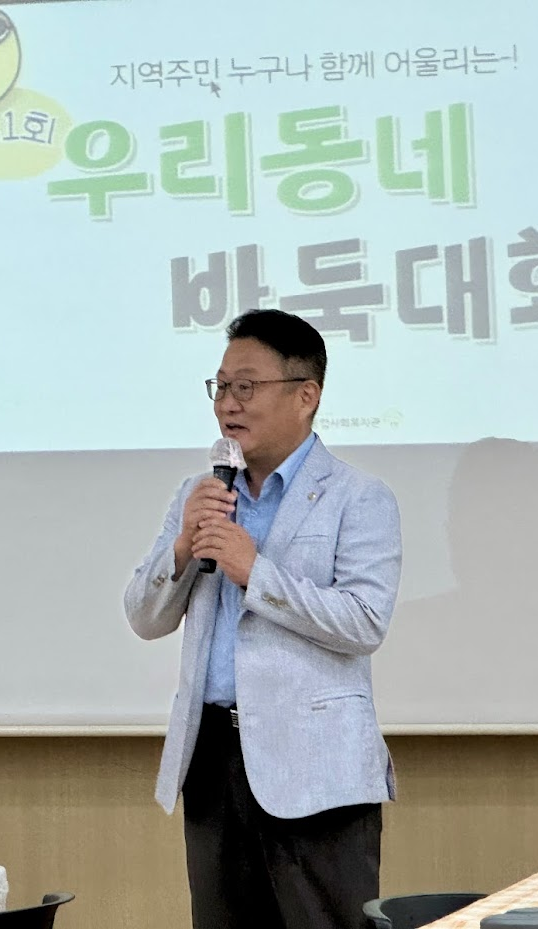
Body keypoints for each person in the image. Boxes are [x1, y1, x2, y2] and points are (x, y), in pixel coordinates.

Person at [124, 309, 402, 929]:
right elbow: (144, 617)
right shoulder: (200, 495)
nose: (228, 403)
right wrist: (182, 548)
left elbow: (364, 622)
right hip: (213, 760)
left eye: (246, 386)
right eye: (221, 386)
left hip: (317, 771)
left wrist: (256, 573)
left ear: (307, 396)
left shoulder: (358, 497)